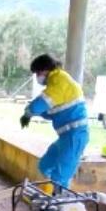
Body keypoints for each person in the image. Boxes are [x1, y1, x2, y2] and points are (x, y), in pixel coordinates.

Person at [20, 54, 89, 190]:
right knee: (45, 165)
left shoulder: (60, 80)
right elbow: (50, 112)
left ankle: (58, 203)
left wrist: (29, 112)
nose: (37, 77)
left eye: (38, 73)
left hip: (75, 136)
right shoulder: (56, 83)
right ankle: (49, 194)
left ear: (45, 69)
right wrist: (32, 113)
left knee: (61, 176)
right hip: (65, 137)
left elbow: (41, 103)